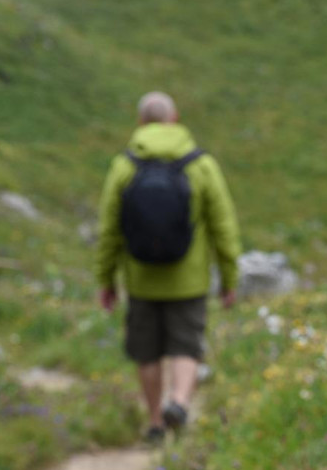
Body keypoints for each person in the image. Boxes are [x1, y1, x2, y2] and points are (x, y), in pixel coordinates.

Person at [95, 92, 242, 443]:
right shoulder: (201, 165)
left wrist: (106, 280)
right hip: (188, 281)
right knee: (185, 347)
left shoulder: (124, 166)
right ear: (174, 118)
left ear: (140, 122)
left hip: (141, 280)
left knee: (147, 352)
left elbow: (109, 232)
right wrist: (229, 278)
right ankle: (179, 401)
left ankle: (156, 422)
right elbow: (224, 227)